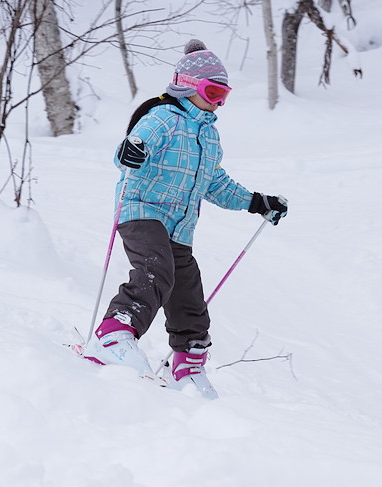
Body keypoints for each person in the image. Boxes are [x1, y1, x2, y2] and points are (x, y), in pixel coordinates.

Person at [82, 39, 288, 388]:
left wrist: (257, 202)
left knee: (188, 293)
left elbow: (215, 183)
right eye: (211, 91)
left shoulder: (209, 136)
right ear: (186, 86)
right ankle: (113, 334)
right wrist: (131, 152)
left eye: (224, 95)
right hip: (142, 210)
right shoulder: (163, 117)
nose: (217, 101)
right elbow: (130, 149)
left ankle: (188, 365)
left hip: (180, 228)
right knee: (155, 269)